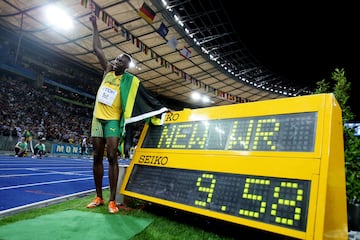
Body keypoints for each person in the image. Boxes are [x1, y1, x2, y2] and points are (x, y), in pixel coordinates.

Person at [87, 15, 168, 213]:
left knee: (113, 156)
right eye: (115, 59)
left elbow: (144, 96)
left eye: (120, 61)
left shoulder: (129, 81)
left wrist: (162, 108)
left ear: (126, 66)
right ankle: (99, 197)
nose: (115, 62)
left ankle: (112, 200)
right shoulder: (107, 71)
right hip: (98, 118)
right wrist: (95, 25)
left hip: (113, 120)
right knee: (97, 156)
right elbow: (97, 50)